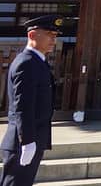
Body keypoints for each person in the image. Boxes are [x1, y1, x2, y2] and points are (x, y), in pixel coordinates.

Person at [2, 14, 62, 186]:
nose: (53, 39)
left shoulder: (37, 62)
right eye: (49, 34)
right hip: (22, 141)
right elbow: (23, 106)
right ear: (32, 35)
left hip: (32, 138)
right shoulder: (27, 63)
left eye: (55, 35)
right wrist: (27, 141)